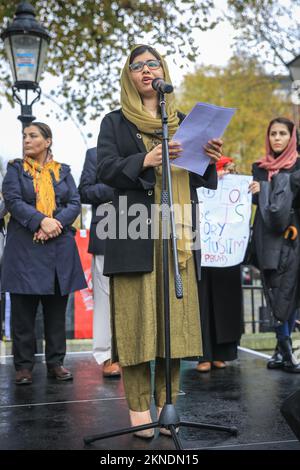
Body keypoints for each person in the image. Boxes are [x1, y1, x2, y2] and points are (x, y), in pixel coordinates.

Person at [96, 44, 222, 438]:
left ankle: (168, 403)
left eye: (154, 64)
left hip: (176, 234)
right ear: (129, 76)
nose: (147, 70)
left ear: (163, 71)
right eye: (139, 66)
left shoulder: (182, 121)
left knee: (173, 325)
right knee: (136, 327)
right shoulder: (114, 122)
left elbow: (200, 178)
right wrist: (144, 161)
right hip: (134, 233)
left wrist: (210, 158)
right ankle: (138, 408)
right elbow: (104, 169)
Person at [2, 122, 87, 385]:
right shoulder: (15, 169)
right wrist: (40, 221)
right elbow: (13, 201)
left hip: (58, 248)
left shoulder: (63, 171)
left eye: (33, 135)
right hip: (24, 250)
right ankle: (24, 367)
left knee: (55, 313)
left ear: (47, 141)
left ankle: (56, 363)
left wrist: (54, 225)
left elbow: (74, 202)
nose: (27, 140)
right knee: (23, 314)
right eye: (25, 136)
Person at [249, 116, 300, 373]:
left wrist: (265, 189)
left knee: (288, 293)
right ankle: (283, 348)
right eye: (273, 134)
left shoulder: (298, 165)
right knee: (274, 291)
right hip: (267, 237)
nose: (277, 138)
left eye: (282, 134)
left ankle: (284, 348)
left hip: (292, 237)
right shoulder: (259, 167)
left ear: (292, 138)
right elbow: (254, 202)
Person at [196, 156, 243, 372]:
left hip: (226, 251)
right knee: (202, 301)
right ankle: (203, 354)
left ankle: (223, 353)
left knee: (225, 302)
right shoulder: (194, 167)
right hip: (203, 248)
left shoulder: (231, 167)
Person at [78, 147, 121, 378]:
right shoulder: (94, 154)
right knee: (104, 297)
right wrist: (117, 187)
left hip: (140, 230)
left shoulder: (144, 151)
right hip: (105, 233)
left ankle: (137, 353)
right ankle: (107, 356)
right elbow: (83, 192)